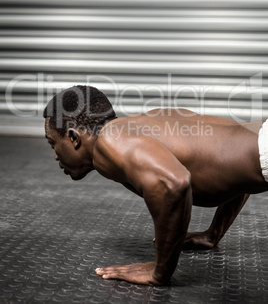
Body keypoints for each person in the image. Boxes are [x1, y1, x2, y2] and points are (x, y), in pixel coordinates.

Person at [43, 85, 268, 286]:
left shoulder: (108, 141)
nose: (55, 156)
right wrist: (213, 234)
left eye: (53, 143)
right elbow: (244, 160)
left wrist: (159, 272)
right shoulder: (145, 122)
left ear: (73, 138)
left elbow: (174, 184)